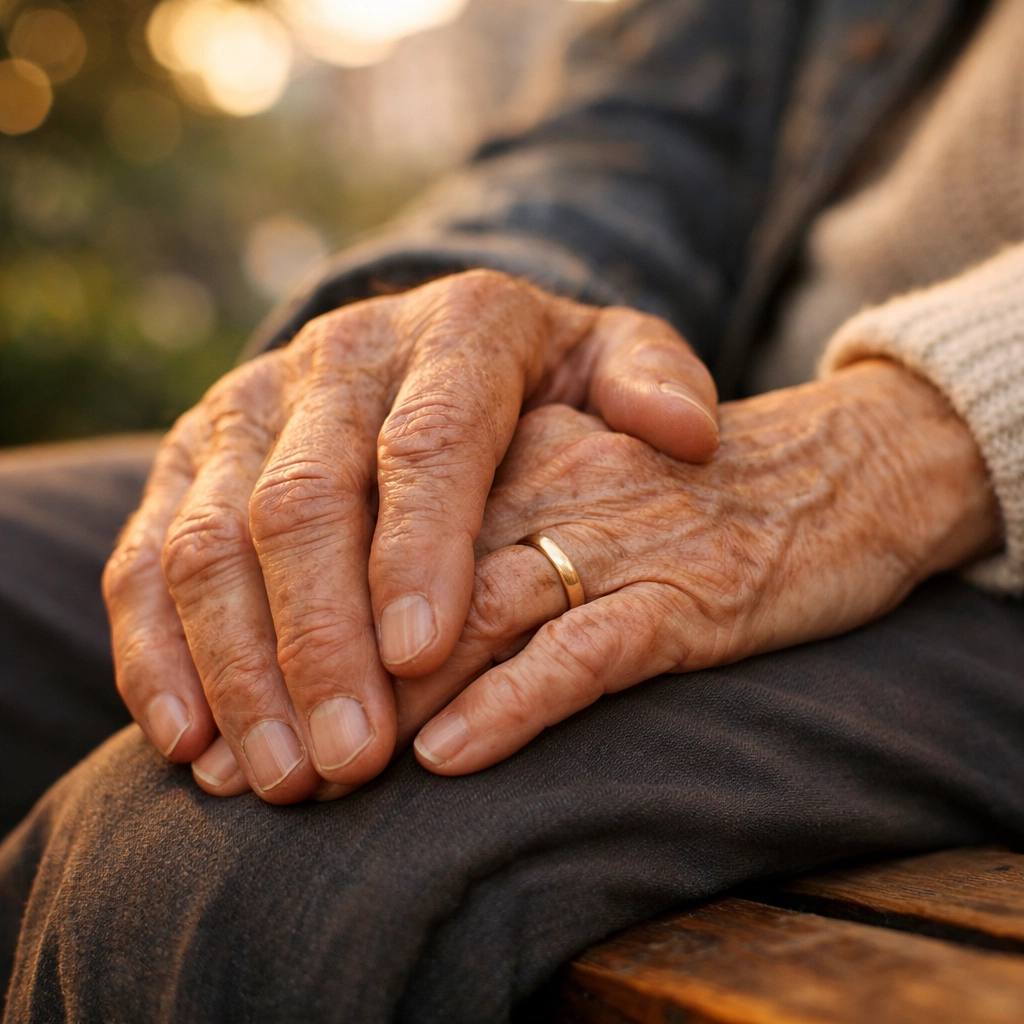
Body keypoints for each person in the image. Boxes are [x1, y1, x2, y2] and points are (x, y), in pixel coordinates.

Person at [2, 0, 1023, 1019]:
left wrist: (909, 435)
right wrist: (452, 342)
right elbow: (632, 124)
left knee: (221, 864)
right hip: (702, 417)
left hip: (976, 529)